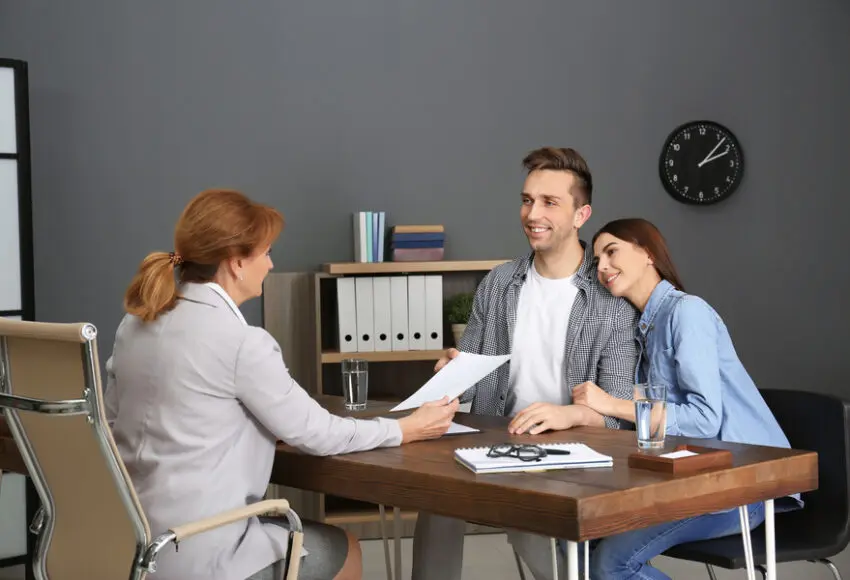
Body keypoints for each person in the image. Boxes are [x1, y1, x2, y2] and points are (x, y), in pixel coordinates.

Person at [104, 189, 459, 580]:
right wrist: (406, 428)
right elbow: (319, 434)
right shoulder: (241, 342)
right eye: (266, 252)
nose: (271, 265)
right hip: (198, 552)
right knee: (346, 549)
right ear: (237, 263)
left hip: (128, 545)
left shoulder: (135, 325)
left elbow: (117, 421)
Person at [411, 148, 640, 580]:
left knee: (527, 511)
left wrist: (565, 417)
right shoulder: (499, 283)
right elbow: (473, 382)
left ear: (581, 214)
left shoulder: (611, 299)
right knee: (437, 496)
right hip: (498, 439)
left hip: (574, 453)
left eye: (550, 202)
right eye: (527, 200)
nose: (532, 213)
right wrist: (453, 376)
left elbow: (620, 414)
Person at [568, 217, 802, 580]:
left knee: (610, 563)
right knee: (579, 543)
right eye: (597, 260)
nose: (603, 267)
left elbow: (704, 418)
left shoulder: (686, 312)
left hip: (739, 489)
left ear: (647, 253)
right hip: (687, 482)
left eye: (611, 252)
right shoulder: (642, 327)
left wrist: (610, 404)